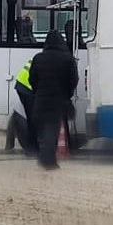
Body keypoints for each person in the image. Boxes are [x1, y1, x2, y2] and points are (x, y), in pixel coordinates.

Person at [27, 30, 79, 170]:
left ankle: (46, 159)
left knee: (44, 131)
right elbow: (73, 80)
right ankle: (47, 161)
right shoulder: (68, 59)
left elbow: (31, 79)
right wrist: (66, 94)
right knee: (52, 130)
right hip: (58, 102)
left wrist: (38, 91)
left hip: (40, 101)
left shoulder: (38, 58)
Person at [5, 58, 38, 154]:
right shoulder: (53, 60)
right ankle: (31, 147)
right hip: (27, 86)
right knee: (31, 116)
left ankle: (10, 144)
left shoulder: (41, 56)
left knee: (20, 111)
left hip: (22, 83)